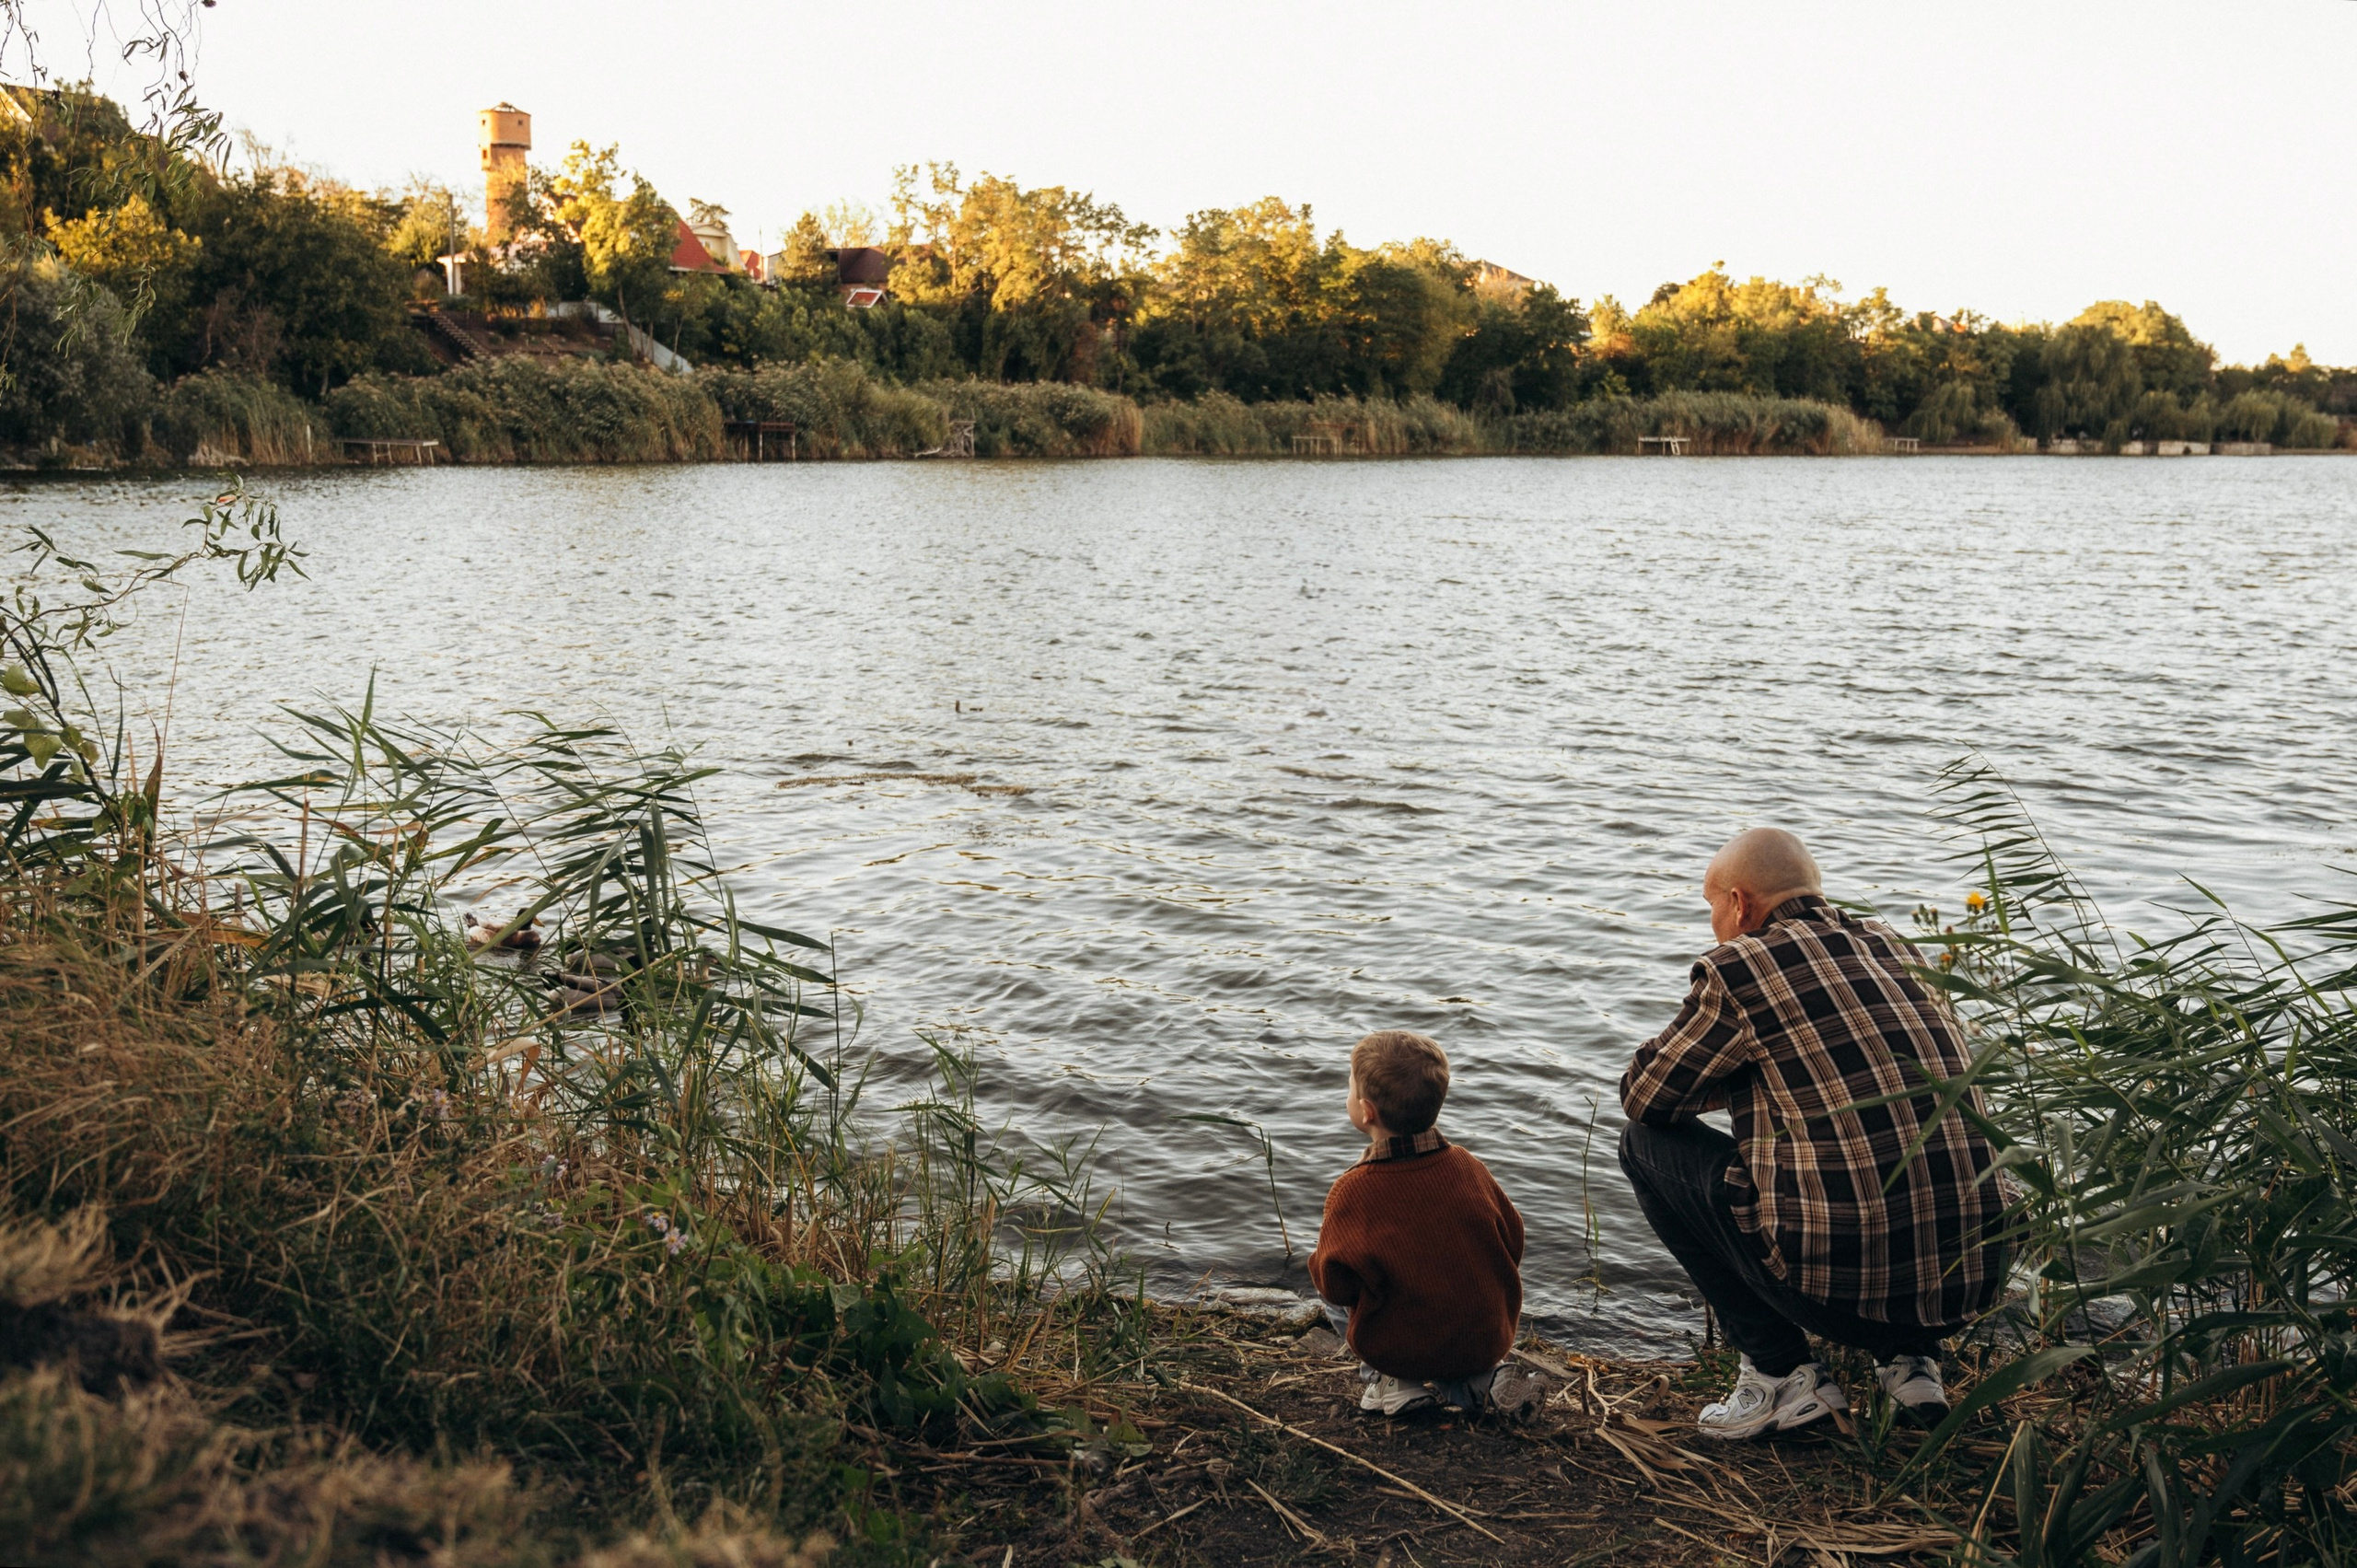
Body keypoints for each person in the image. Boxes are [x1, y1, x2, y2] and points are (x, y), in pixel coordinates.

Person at [1620, 829, 2010, 1441]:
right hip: (1966, 1283)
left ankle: (1780, 1373)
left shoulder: (1742, 966)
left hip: (1838, 1294)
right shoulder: (1896, 946)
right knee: (1888, 1150)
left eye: (1711, 905)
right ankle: (1910, 1367)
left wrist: (1737, 1078)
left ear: (1740, 903)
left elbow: (1645, 1095)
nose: (1715, 921)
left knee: (1643, 1146)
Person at [1308, 1029, 1526, 1416]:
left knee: (1327, 1279)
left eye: (1348, 1088)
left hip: (1403, 1347)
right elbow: (1513, 1237)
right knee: (1444, 1314)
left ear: (1366, 1111)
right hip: (1486, 1338)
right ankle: (1480, 1384)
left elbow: (1334, 1284)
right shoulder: (1468, 1166)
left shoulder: (1353, 1190)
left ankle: (1392, 1381)